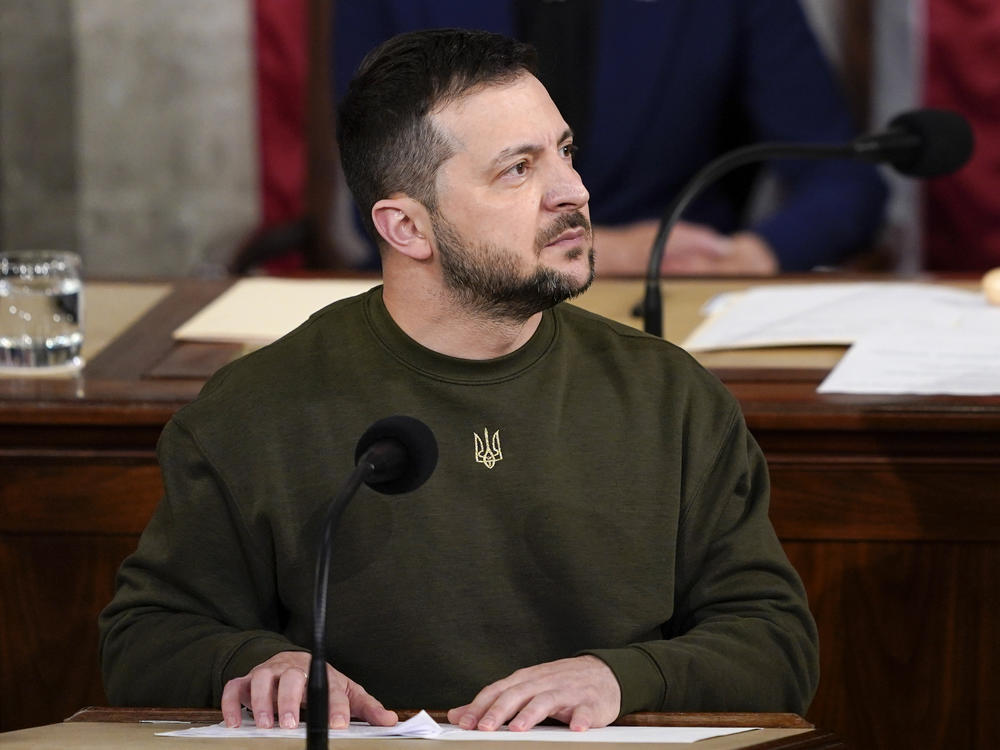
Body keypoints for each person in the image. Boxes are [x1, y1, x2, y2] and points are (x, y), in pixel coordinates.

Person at [99, 29, 818, 732]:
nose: (574, 191)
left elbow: (777, 643)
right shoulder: (255, 410)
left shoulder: (673, 398)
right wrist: (254, 663)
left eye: (565, 152)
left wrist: (620, 677)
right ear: (407, 228)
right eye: (518, 169)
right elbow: (145, 638)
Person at [331, 0, 887, 276]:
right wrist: (604, 250)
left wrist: (750, 255)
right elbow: (381, 182)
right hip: (454, 291)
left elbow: (843, 176)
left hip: (670, 297)